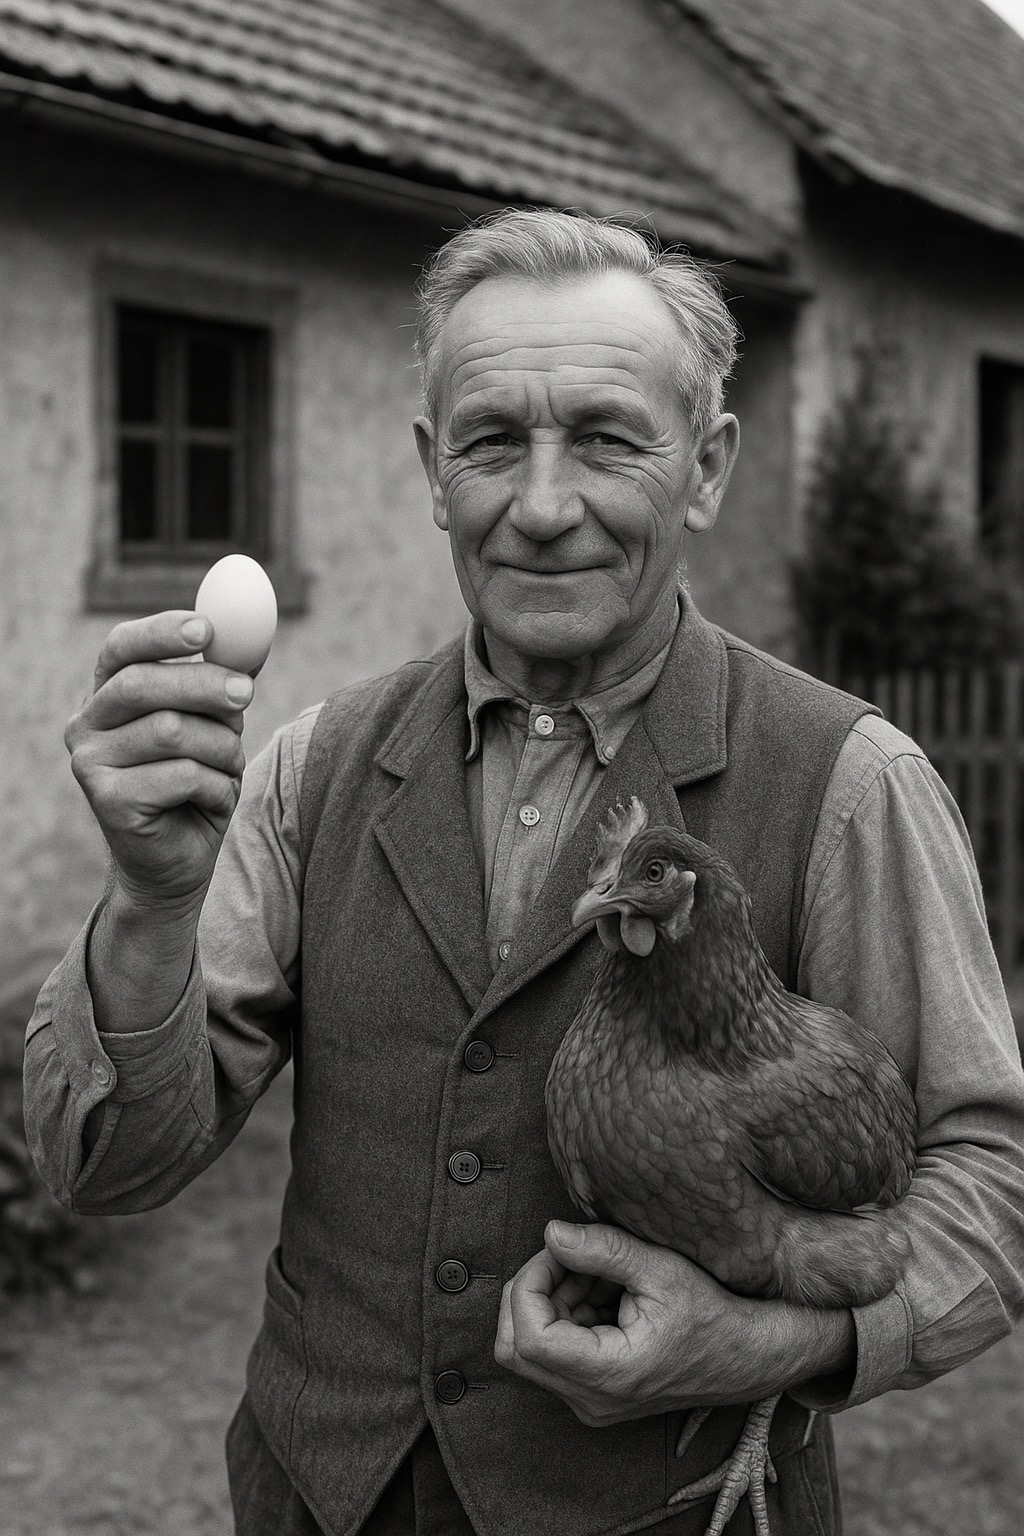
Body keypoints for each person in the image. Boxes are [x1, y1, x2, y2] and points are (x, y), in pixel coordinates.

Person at [25, 209, 1024, 1536]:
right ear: (434, 472)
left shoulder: (851, 782)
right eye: (492, 441)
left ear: (707, 469)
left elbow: (991, 1180)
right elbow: (103, 1165)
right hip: (320, 1494)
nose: (543, 509)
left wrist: (769, 1345)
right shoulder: (311, 767)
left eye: (608, 439)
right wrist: (152, 903)